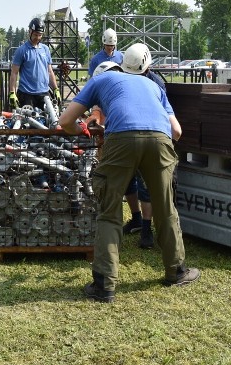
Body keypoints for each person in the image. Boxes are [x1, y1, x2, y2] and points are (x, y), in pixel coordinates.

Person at [59, 43, 199, 302]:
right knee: (166, 209)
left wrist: (82, 131)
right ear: (146, 67)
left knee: (110, 213)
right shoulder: (155, 87)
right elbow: (177, 132)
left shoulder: (102, 79)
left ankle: (104, 285)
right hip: (160, 139)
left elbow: (66, 121)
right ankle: (176, 272)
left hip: (120, 139)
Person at [87, 59, 154, 249]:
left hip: (139, 137)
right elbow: (98, 108)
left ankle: (147, 230)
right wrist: (95, 117)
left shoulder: (149, 83)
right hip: (130, 139)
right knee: (128, 182)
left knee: (144, 185)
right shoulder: (117, 86)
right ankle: (137, 219)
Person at [8, 17, 60, 110]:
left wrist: (56, 89)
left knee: (49, 121)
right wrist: (12, 93)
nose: (38, 37)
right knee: (29, 123)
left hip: (44, 93)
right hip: (26, 94)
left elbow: (49, 71)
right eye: (35, 34)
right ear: (30, 32)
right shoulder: (22, 50)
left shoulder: (45, 49)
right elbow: (14, 72)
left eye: (40, 35)